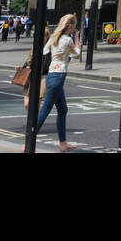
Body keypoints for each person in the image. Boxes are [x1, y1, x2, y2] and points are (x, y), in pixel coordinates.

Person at [35, 16, 80, 152]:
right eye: (75, 26)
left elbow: (44, 51)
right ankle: (28, 143)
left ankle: (63, 143)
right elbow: (77, 54)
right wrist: (77, 39)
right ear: (70, 26)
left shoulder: (54, 37)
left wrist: (58, 54)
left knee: (63, 110)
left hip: (51, 76)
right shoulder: (68, 39)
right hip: (58, 78)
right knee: (44, 112)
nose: (75, 28)